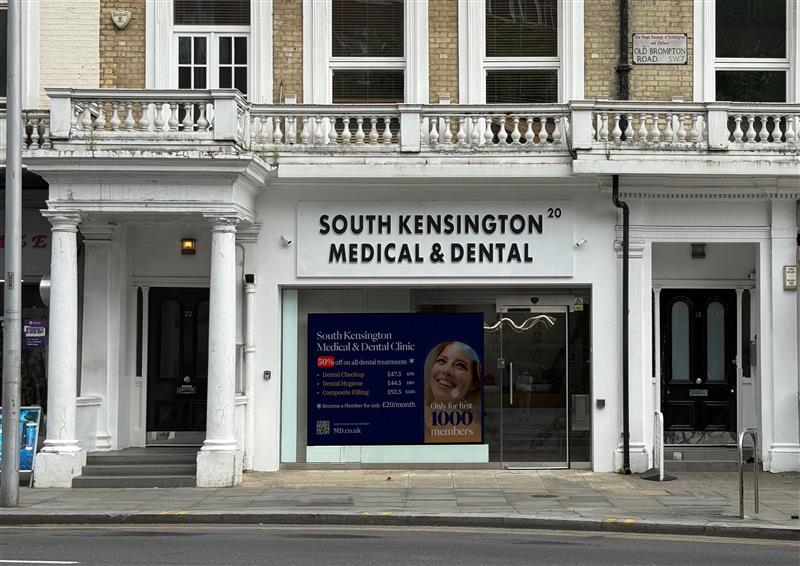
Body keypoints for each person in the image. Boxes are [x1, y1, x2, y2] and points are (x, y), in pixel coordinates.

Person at [423, 341, 482, 443]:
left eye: (460, 365)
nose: (446, 370)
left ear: (474, 383)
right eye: (442, 361)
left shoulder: (474, 430)